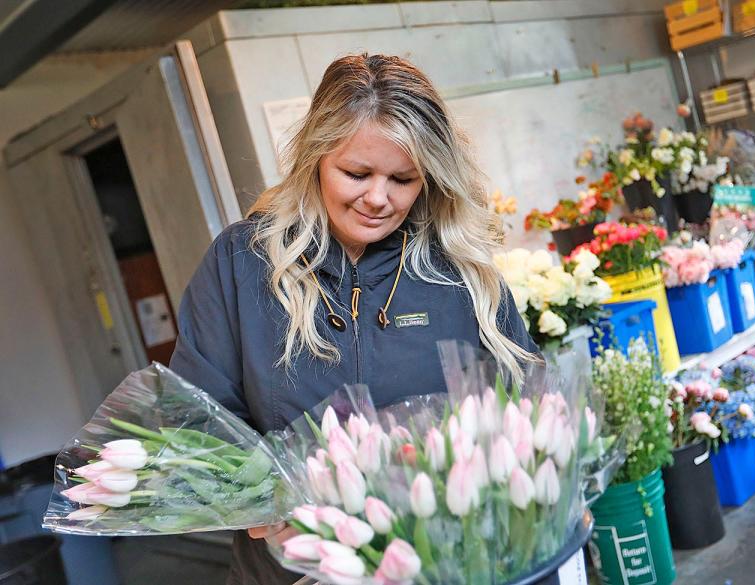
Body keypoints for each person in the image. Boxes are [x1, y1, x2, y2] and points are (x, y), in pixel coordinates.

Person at [169, 53, 539, 584]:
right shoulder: (242, 263)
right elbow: (197, 417)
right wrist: (259, 503)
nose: (378, 199)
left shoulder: (459, 271)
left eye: (403, 179)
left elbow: (526, 411)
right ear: (315, 157)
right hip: (296, 570)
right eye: (356, 173)